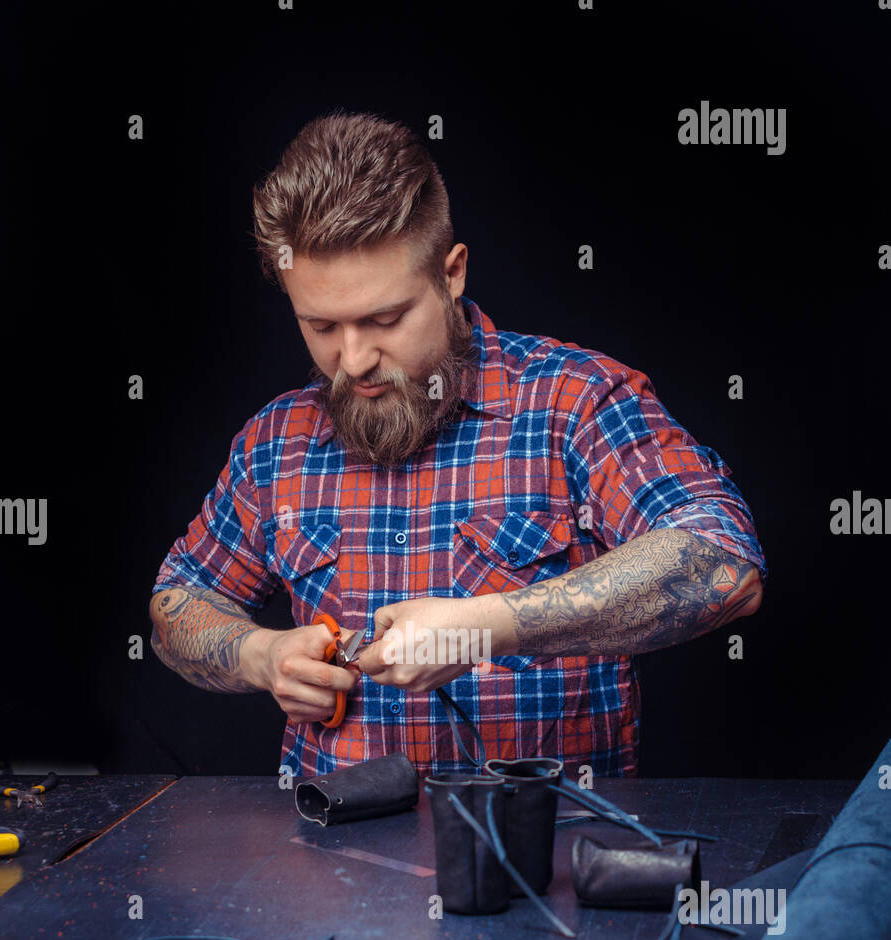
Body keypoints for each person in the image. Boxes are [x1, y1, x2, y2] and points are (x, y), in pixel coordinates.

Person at [150, 111, 765, 779]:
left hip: (551, 861)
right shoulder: (274, 442)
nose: (352, 360)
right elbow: (177, 602)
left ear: (451, 274)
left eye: (384, 319)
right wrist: (258, 654)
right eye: (320, 325)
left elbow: (721, 562)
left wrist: (484, 625)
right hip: (326, 863)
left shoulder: (576, 402)